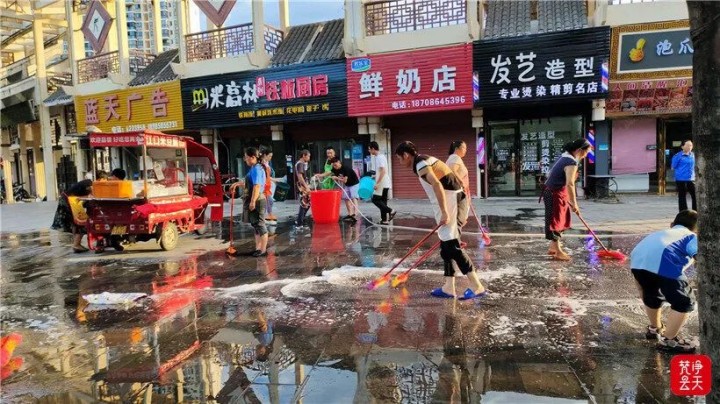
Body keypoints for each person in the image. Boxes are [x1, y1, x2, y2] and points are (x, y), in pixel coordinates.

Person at [394, 141, 486, 300]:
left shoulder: (421, 163)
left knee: (452, 245)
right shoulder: (422, 160)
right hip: (452, 201)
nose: (399, 162)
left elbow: (437, 184)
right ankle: (449, 287)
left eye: (399, 158)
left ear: (406, 155)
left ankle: (477, 286)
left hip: (452, 202)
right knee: (446, 247)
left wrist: (445, 212)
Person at [630, 210, 698, 353]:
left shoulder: (660, 233)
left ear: (672, 224)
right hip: (664, 263)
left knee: (652, 295)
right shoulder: (691, 236)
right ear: (697, 229)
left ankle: (655, 329)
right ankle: (669, 341)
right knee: (684, 302)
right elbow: (699, 255)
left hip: (637, 263)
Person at [541, 138, 593, 261]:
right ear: (580, 150)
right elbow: (570, 184)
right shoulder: (570, 162)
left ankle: (553, 247)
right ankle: (558, 251)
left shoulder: (564, 157)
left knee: (560, 219)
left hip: (555, 192)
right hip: (554, 194)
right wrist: (574, 203)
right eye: (586, 152)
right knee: (556, 220)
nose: (586, 155)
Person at [51, 179, 93, 253]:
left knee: (75, 222)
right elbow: (83, 197)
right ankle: (76, 245)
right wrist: (89, 197)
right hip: (68, 201)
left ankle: (76, 244)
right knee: (81, 222)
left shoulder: (87, 183)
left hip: (66, 199)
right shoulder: (90, 185)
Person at [316, 157, 360, 223]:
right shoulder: (335, 169)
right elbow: (328, 173)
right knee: (346, 198)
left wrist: (336, 178)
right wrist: (320, 175)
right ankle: (350, 214)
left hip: (354, 184)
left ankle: (355, 214)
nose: (335, 167)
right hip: (348, 185)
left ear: (339, 162)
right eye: (333, 166)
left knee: (354, 197)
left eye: (335, 165)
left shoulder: (346, 169)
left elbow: (344, 181)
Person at [242, 147, 268, 257]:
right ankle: (258, 248)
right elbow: (251, 183)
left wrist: (252, 202)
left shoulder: (257, 169)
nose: (245, 160)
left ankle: (263, 250)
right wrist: (238, 184)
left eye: (246, 157)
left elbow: (257, 186)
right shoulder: (254, 168)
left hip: (258, 200)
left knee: (260, 225)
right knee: (256, 226)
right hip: (255, 198)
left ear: (253, 157)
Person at [447, 141, 471, 237]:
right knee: (460, 217)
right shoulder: (455, 158)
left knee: (459, 216)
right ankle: (455, 240)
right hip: (459, 191)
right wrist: (462, 183)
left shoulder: (454, 158)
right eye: (464, 148)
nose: (465, 150)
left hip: (459, 191)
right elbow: (453, 171)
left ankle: (456, 239)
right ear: (457, 148)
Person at [369, 141, 396, 225]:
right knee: (383, 202)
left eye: (369, 149)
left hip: (382, 183)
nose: (369, 151)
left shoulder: (379, 157)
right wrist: (375, 176)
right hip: (385, 183)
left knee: (375, 199)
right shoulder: (380, 157)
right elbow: (381, 171)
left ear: (373, 149)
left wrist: (377, 183)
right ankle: (384, 220)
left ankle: (391, 211)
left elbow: (383, 171)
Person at [671, 139, 696, 212]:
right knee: (682, 196)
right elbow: (673, 166)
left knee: (695, 195)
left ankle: (695, 211)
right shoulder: (678, 156)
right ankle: (683, 212)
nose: (689, 147)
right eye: (687, 145)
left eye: (691, 145)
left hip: (692, 179)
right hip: (681, 179)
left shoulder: (693, 155)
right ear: (682, 147)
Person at [259, 147, 277, 224]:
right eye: (269, 156)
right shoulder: (261, 165)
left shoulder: (266, 164)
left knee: (269, 201)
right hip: (263, 187)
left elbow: (268, 176)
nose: (270, 158)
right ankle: (266, 217)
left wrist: (273, 180)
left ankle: (268, 215)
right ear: (265, 155)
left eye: (271, 156)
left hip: (267, 187)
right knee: (267, 202)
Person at [295, 150, 312, 229]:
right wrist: (306, 187)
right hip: (302, 187)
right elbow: (300, 177)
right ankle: (299, 223)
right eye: (308, 156)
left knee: (307, 203)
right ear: (303, 156)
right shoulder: (300, 164)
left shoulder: (301, 164)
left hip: (303, 186)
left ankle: (300, 220)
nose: (309, 158)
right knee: (304, 204)